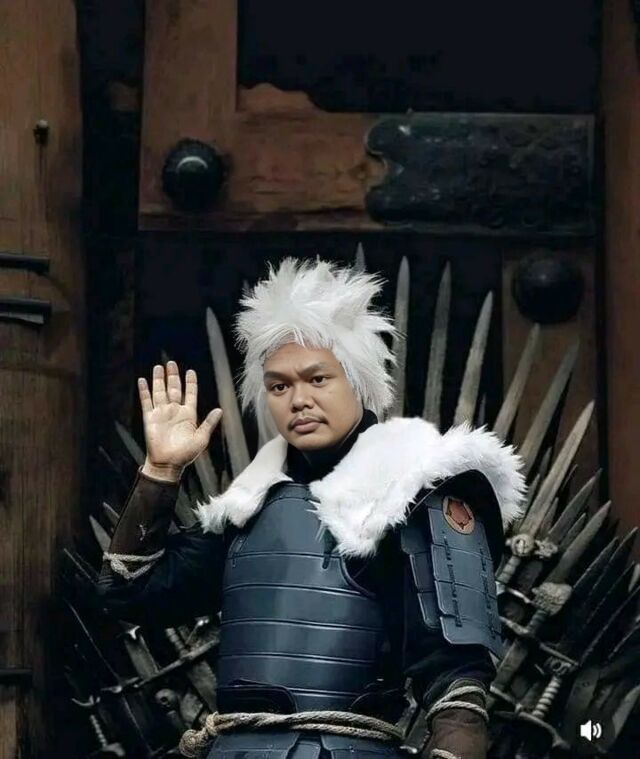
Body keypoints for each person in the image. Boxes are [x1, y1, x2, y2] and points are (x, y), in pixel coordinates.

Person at [98, 258, 526, 759]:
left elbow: (457, 687)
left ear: (356, 380)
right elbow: (128, 596)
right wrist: (161, 471)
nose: (298, 400)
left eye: (317, 379)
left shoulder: (414, 491)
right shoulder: (251, 505)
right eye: (279, 386)